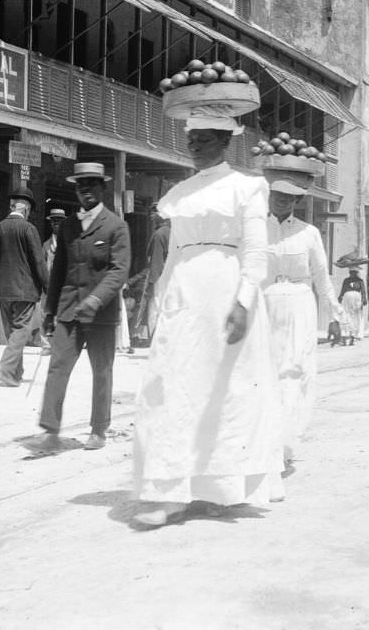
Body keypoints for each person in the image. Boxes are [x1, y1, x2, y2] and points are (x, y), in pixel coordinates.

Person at [131, 117, 281, 527]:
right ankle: (169, 492)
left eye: (205, 140)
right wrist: (162, 299)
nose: (195, 146)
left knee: (225, 391)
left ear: (226, 142)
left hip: (226, 291)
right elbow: (175, 253)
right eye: (191, 140)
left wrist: (244, 301)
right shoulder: (179, 193)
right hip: (186, 294)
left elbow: (255, 251)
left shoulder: (247, 187)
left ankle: (221, 491)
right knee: (174, 387)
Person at [23, 163, 130, 454]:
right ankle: (51, 430)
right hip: (68, 311)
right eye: (82, 185)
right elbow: (58, 272)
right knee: (57, 367)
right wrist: (49, 311)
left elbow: (119, 271)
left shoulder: (116, 226)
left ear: (102, 188)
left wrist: (96, 299)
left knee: (102, 371)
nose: (87, 190)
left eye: (93, 184)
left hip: (102, 315)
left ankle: (98, 430)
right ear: (76, 190)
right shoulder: (69, 225)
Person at [264, 176, 345, 464]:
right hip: (265, 306)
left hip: (299, 306)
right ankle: (264, 441)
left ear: (297, 202)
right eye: (276, 195)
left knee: (296, 372)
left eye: (288, 198)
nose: (281, 201)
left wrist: (335, 315)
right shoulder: (256, 230)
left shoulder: (309, 233)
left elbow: (321, 278)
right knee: (265, 373)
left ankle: (286, 442)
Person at [0, 187, 47, 386]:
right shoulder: (29, 229)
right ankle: (7, 367)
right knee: (21, 331)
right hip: (25, 291)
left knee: (12, 333)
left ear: (12, 206)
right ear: (26, 209)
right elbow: (38, 261)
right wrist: (48, 287)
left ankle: (14, 374)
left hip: (4, 291)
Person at [39, 208, 66, 355]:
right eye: (54, 221)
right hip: (48, 286)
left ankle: (61, 344)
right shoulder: (45, 245)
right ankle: (46, 345)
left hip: (64, 286)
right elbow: (41, 266)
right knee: (45, 314)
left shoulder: (69, 243)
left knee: (63, 315)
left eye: (59, 221)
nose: (56, 224)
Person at [144, 204, 171, 335]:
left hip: (160, 278)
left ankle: (155, 337)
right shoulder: (173, 231)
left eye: (154, 212)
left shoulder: (159, 234)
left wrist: (151, 282)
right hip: (171, 277)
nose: (151, 216)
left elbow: (156, 261)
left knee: (155, 307)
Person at [339, 266, 367, 343]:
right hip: (351, 298)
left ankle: (351, 333)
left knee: (353, 315)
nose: (352, 274)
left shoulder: (358, 281)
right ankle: (351, 333)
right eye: (351, 273)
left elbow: (363, 291)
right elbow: (343, 290)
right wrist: (364, 299)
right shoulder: (357, 280)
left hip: (352, 298)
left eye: (353, 273)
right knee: (352, 315)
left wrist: (364, 299)